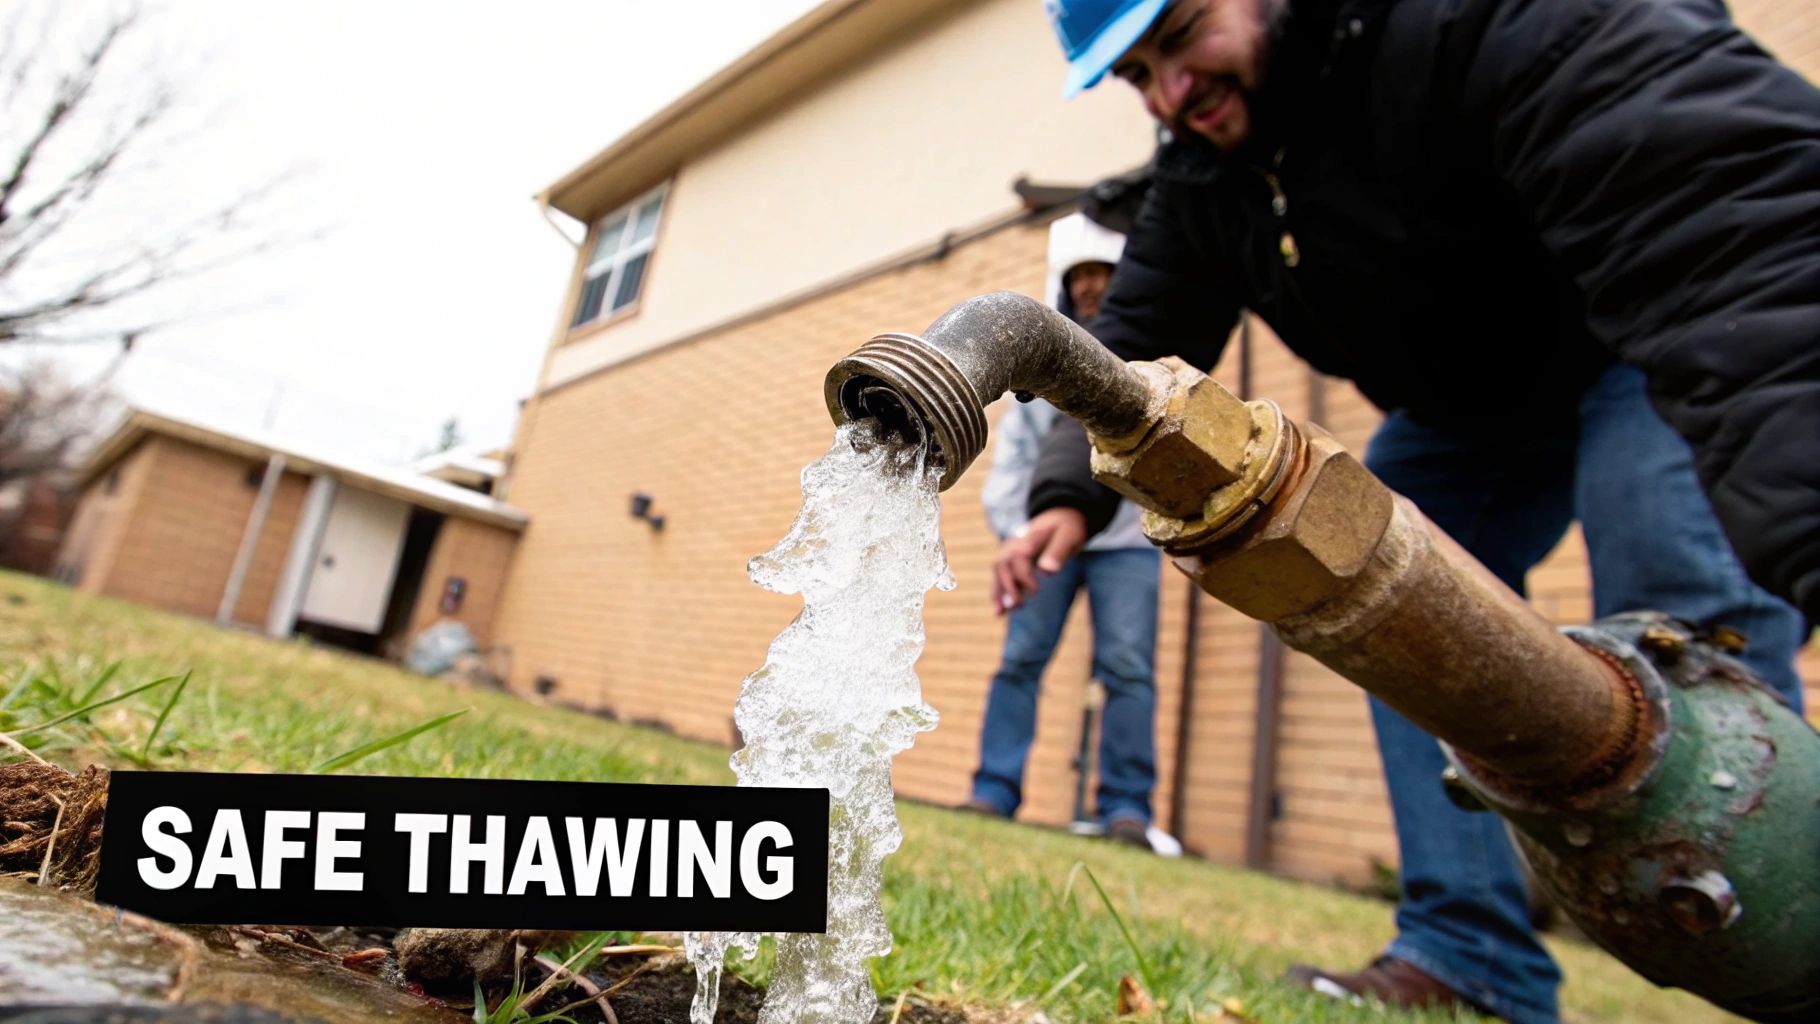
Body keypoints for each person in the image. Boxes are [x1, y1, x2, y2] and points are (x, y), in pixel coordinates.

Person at [999, 1, 1819, 1021]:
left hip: (1628, 343)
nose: (1169, 93)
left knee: (1671, 617)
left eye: (1184, 37)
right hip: (1466, 415)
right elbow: (1128, 348)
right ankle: (1468, 954)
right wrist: (1067, 500)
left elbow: (1721, 234)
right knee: (1374, 601)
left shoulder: (1471, 23)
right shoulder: (1206, 175)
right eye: (1136, 77)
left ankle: (1792, 952)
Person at [965, 213, 1164, 850]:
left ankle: (1127, 812)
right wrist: (1019, 532)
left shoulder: (1154, 359)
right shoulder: (1044, 371)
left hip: (1127, 543)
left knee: (1128, 669)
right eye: (1078, 276)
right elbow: (1016, 460)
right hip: (1043, 539)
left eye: (1100, 273)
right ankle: (993, 791)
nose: (1088, 287)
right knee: (1020, 660)